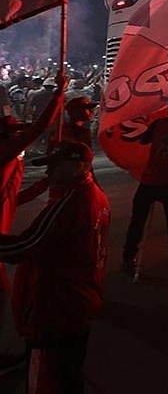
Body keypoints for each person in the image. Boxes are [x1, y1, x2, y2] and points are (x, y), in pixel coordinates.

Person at [0, 140, 110, 393]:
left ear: (77, 166)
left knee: (46, 382)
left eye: (54, 165)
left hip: (56, 309)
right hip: (80, 302)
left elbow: (24, 246)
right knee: (69, 376)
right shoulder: (96, 196)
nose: (49, 172)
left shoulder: (72, 202)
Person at [0, 73, 66, 371]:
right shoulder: (3, 153)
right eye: (13, 129)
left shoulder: (10, 157)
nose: (18, 131)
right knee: (3, 295)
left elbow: (12, 199)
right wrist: (58, 95)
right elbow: (39, 128)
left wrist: (41, 186)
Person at [121, 94, 168, 272]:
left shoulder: (158, 125)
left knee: (138, 220)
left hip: (150, 180)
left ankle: (129, 256)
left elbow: (143, 140)